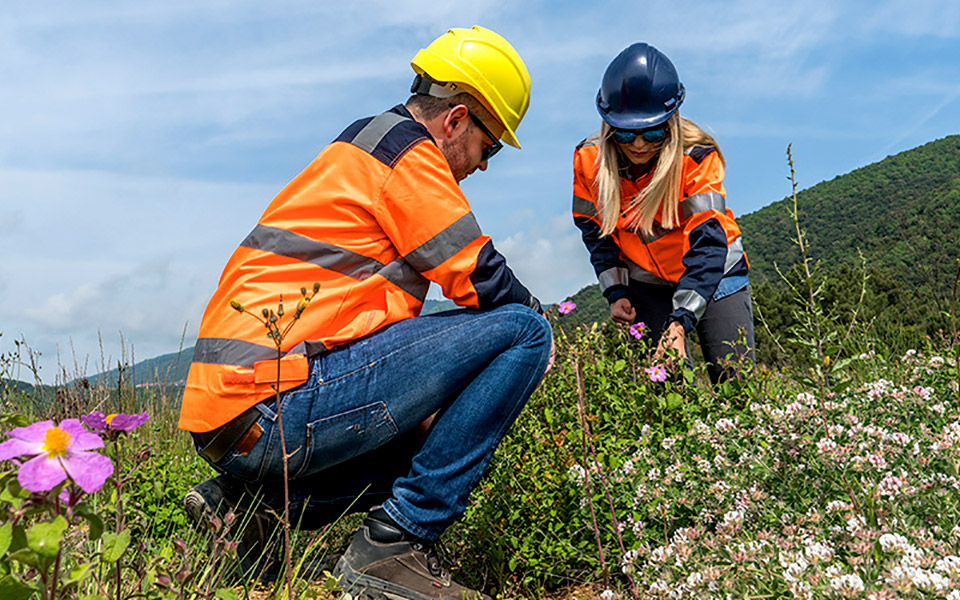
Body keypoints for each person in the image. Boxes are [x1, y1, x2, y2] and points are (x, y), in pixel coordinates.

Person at [179, 26, 552, 600]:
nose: (483, 165)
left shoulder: (366, 143)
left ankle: (247, 507)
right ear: (455, 119)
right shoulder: (408, 154)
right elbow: (479, 276)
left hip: (237, 414)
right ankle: (395, 543)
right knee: (525, 334)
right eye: (490, 145)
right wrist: (548, 330)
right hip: (275, 400)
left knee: (422, 430)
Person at [571, 43, 754, 384]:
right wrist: (617, 293)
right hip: (646, 281)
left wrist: (681, 319)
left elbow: (708, 244)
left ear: (671, 121)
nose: (639, 144)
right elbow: (596, 234)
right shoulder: (588, 161)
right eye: (626, 133)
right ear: (609, 126)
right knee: (663, 390)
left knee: (736, 385)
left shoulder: (697, 157)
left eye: (653, 132)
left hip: (715, 273)